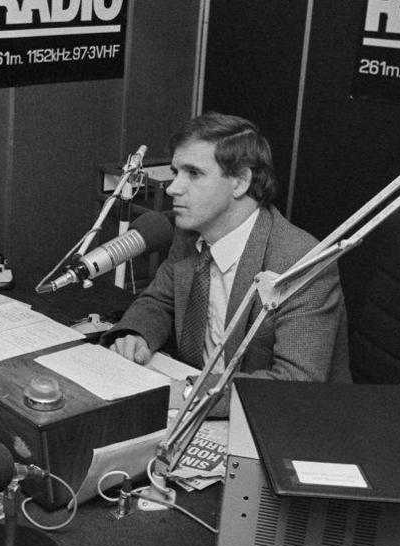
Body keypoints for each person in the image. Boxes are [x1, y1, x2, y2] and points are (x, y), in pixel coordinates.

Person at [103, 112, 351, 410]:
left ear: (240, 182)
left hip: (280, 420)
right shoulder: (189, 233)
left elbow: (295, 383)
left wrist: (188, 395)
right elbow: (160, 301)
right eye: (175, 171)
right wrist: (135, 334)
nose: (172, 188)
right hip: (196, 401)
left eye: (194, 174)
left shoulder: (300, 261)